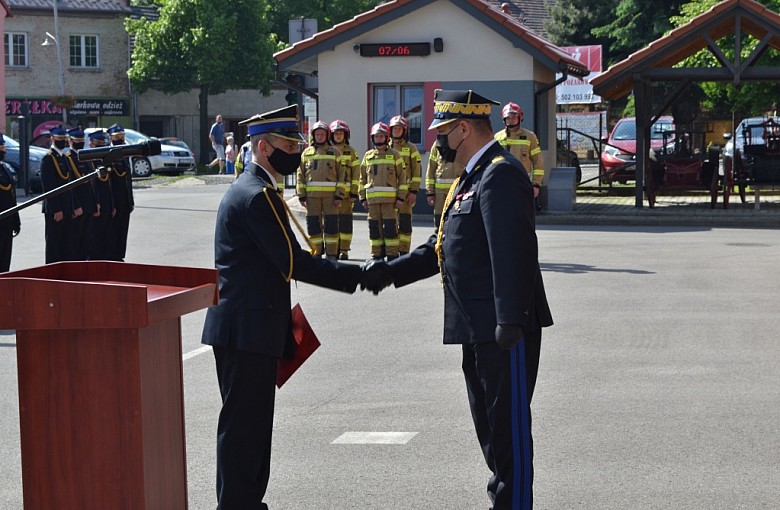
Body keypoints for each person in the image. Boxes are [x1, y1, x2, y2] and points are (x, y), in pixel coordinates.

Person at [363, 89, 553, 510]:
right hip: (476, 327)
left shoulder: (500, 172)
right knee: (490, 430)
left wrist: (509, 322)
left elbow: (513, 252)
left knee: (509, 435)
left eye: (443, 132)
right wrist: (388, 272)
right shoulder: (471, 176)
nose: (437, 142)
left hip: (505, 331)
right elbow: (443, 243)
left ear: (464, 128)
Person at [200, 104, 367, 510]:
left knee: (253, 427)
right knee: (244, 428)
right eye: (288, 144)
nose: (296, 150)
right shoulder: (255, 196)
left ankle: (246, 503)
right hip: (246, 330)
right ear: (263, 147)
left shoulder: (258, 190)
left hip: (252, 328)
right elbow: (293, 261)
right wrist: (360, 276)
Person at [358, 122, 407, 261]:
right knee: (374, 228)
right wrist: (362, 198)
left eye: (381, 136)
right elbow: (362, 179)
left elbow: (402, 179)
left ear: (386, 137)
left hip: (390, 202)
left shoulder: (395, 155)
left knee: (390, 228)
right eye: (376, 136)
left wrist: (400, 198)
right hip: (372, 202)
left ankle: (392, 254)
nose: (379, 138)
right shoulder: (368, 156)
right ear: (372, 138)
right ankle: (376, 254)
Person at [296, 121, 344, 258]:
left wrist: (339, 195)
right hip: (312, 198)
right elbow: (300, 175)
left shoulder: (335, 152)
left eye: (322, 134)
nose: (320, 136)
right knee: (313, 227)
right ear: (313, 136)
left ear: (327, 135)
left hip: (331, 198)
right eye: (317, 134)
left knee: (331, 227)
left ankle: (332, 255)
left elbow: (342, 174)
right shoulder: (307, 153)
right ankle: (317, 253)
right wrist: (301, 196)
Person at [40, 125, 81, 263]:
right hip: (56, 209)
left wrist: (73, 205)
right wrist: (56, 209)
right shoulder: (48, 159)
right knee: (54, 244)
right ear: (52, 139)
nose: (62, 141)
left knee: (66, 245)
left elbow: (70, 185)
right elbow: (48, 187)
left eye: (64, 138)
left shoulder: (64, 157)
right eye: (59, 138)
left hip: (67, 207)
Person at [494, 102, 545, 200]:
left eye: (513, 117)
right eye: (508, 118)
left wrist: (536, 184)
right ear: (504, 120)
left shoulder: (530, 137)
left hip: (522, 182)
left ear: (520, 118)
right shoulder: (497, 137)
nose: (511, 120)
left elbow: (538, 161)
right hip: (501, 182)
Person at [388, 115, 421, 255]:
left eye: (399, 128)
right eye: (394, 128)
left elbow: (417, 172)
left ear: (404, 130)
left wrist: (413, 191)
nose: (396, 131)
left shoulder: (411, 148)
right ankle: (392, 252)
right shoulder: (385, 148)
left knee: (405, 223)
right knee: (390, 224)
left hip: (406, 194)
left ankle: (404, 251)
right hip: (389, 194)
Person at [329, 119, 360, 260]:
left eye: (340, 133)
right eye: (336, 133)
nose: (338, 136)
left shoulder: (351, 152)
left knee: (345, 222)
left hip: (347, 195)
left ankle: (344, 250)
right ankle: (333, 249)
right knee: (331, 222)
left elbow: (356, 173)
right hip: (330, 195)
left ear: (345, 135)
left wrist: (354, 191)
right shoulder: (327, 151)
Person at [66, 127, 97, 261]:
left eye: (81, 140)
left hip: (89, 204)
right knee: (75, 239)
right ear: (70, 141)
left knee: (87, 238)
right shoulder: (68, 158)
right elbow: (70, 185)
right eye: (77, 140)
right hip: (78, 206)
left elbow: (92, 183)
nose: (79, 143)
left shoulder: (85, 157)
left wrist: (95, 203)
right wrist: (75, 205)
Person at [106, 124, 134, 261]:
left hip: (124, 200)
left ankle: (120, 255)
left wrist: (131, 200)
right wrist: (111, 203)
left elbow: (128, 179)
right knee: (113, 230)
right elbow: (108, 182)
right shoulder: (108, 154)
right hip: (114, 200)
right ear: (111, 137)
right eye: (117, 137)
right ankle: (112, 255)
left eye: (122, 136)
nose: (120, 139)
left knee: (123, 229)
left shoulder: (125, 154)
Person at [85, 129, 114, 260]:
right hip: (96, 204)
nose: (101, 145)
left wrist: (112, 204)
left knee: (106, 234)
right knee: (94, 236)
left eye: (103, 143)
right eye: (98, 143)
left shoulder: (104, 161)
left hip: (107, 202)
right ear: (91, 144)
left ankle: (105, 258)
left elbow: (109, 185)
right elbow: (92, 185)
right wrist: (95, 202)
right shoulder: (88, 161)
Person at [426, 142, 464, 231]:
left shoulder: (461, 141)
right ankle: (439, 243)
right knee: (439, 221)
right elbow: (431, 170)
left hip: (457, 191)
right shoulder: (437, 145)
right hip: (440, 193)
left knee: (457, 219)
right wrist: (430, 192)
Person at [0, 135, 21, 272]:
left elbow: (12, 197)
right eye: (1, 148)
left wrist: (16, 220)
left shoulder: (5, 168)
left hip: (7, 223)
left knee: (5, 260)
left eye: (3, 147)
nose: (3, 150)